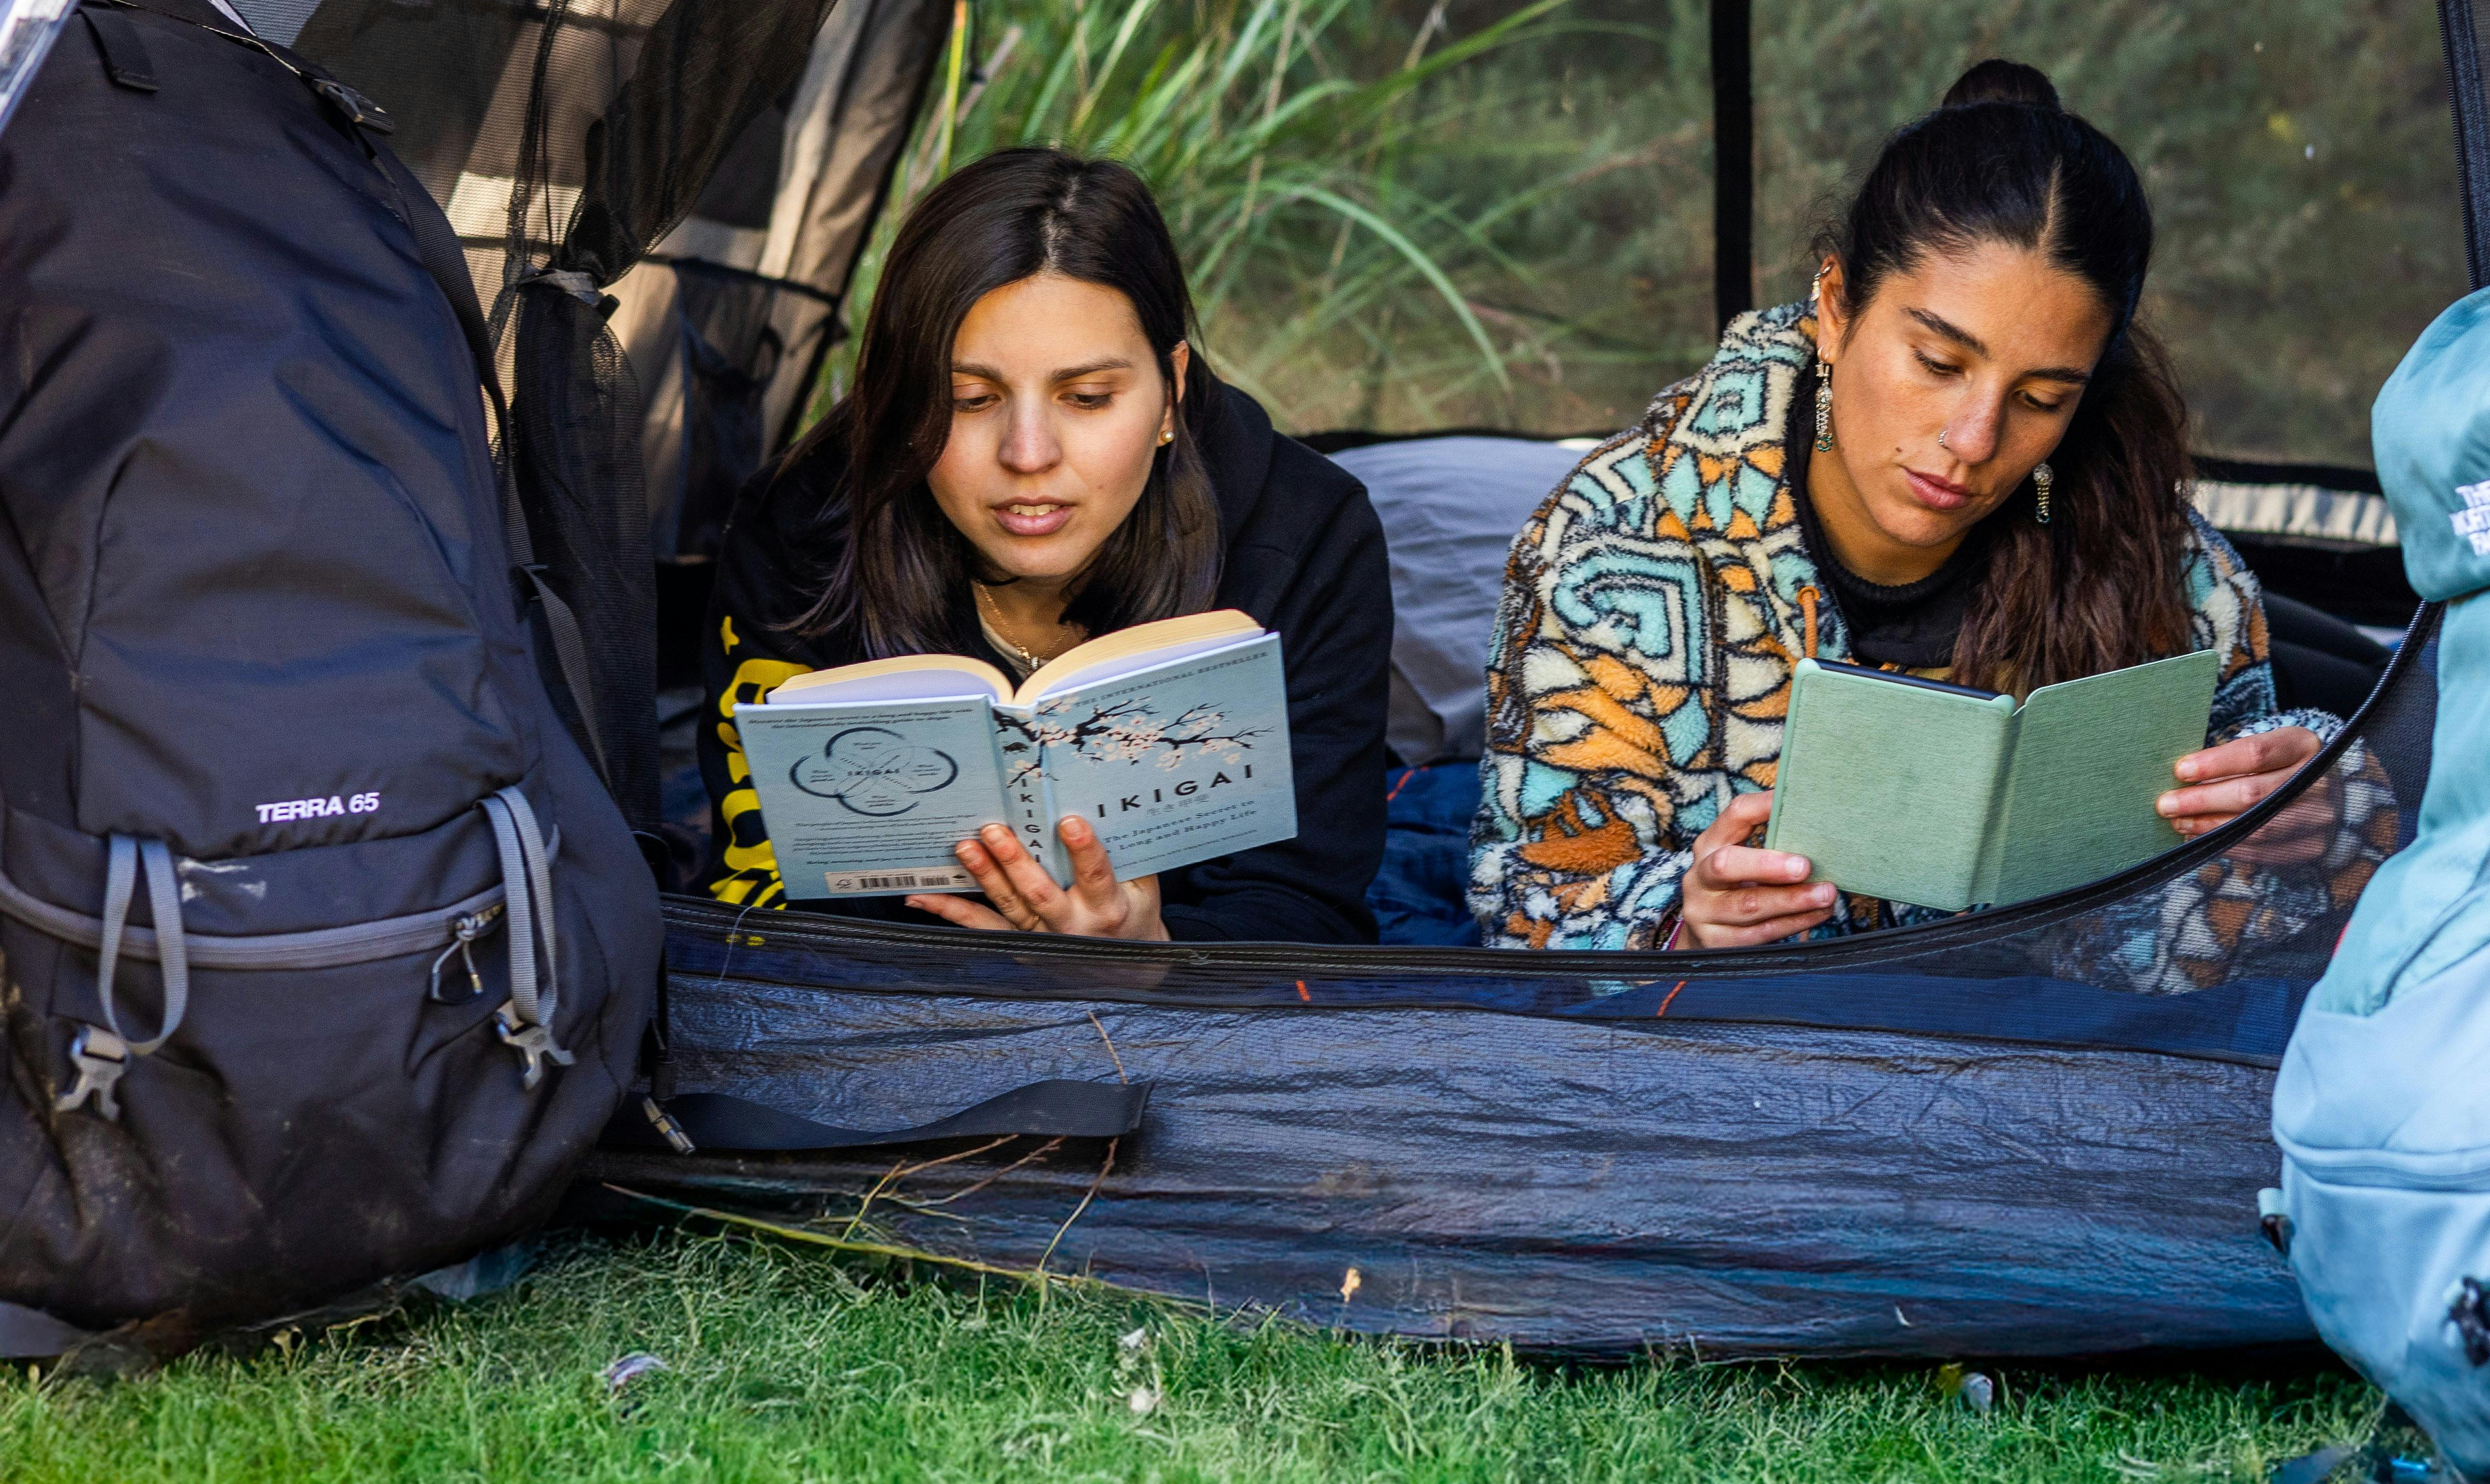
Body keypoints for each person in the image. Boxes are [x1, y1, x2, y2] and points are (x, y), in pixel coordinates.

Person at [1467, 88, 2346, 961]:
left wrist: (2320, 812)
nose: (1974, 441)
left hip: (2045, 1072)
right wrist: (1678, 919)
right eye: (1937, 362)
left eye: (2041, 399)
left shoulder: (2163, 562)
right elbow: (1530, 903)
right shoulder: (1612, 543)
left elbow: (2236, 906)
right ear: (1837, 307)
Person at [698, 149, 1392, 943]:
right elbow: (759, 890)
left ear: (1171, 390)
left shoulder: (1311, 533)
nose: (1028, 454)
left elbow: (1307, 911)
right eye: (968, 399)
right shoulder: (805, 523)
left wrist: (1146, 952)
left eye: (1088, 398)